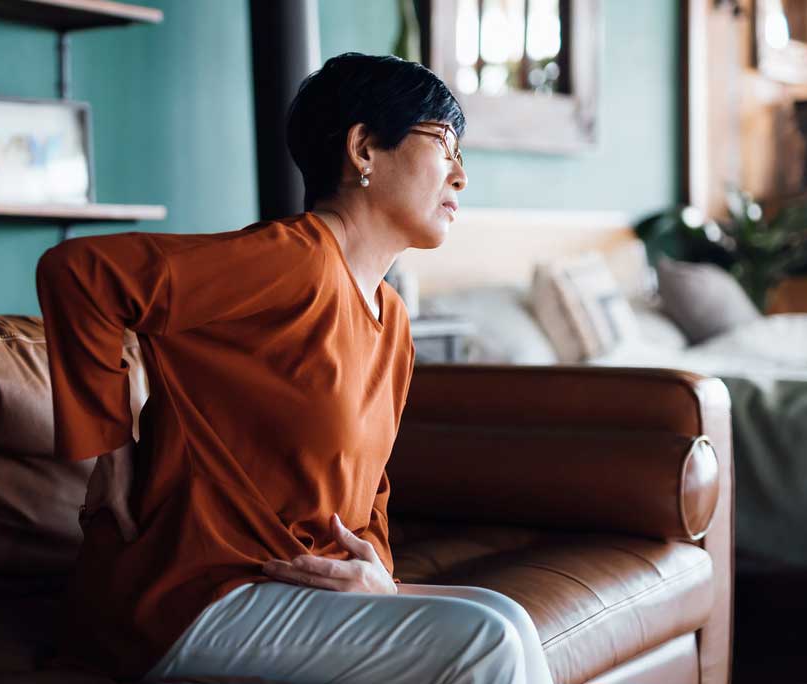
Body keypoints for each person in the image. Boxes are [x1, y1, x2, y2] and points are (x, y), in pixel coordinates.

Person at [36, 52, 554, 684]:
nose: (461, 176)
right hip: (191, 595)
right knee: (484, 642)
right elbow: (80, 275)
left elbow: (371, 493)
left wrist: (378, 579)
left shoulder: (392, 323)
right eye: (446, 144)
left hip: (297, 593)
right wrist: (110, 450)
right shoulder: (291, 261)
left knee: (507, 618)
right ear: (364, 148)